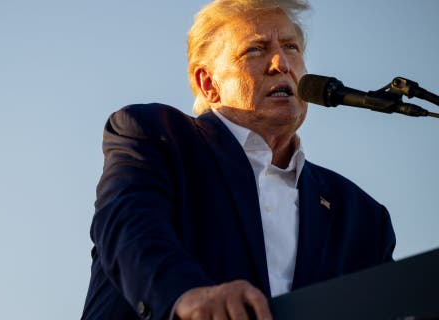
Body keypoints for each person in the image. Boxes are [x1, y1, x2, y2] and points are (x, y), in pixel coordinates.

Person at [82, 0, 396, 319]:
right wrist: (185, 295)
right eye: (255, 50)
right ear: (208, 83)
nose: (281, 63)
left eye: (291, 47)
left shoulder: (362, 216)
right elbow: (128, 223)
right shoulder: (156, 135)